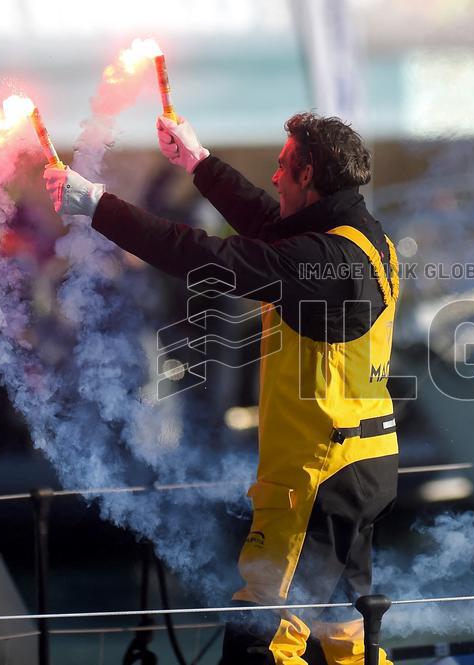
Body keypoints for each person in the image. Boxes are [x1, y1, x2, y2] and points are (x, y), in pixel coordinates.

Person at [43, 112, 399, 664]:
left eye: (283, 168)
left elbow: (206, 256)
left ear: (307, 176)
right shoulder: (362, 240)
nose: (275, 179)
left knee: (261, 635)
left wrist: (96, 206)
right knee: (342, 638)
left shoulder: (323, 261)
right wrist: (198, 163)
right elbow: (266, 222)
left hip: (318, 475)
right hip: (362, 463)